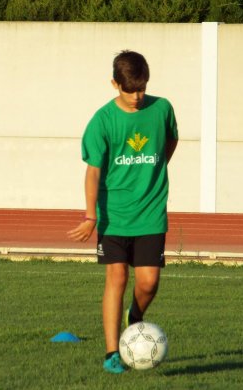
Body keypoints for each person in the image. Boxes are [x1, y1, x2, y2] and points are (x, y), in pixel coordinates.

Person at [67, 50, 178, 374]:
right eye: (130, 90)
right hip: (114, 214)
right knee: (116, 277)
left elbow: (170, 141)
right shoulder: (102, 120)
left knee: (148, 282)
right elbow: (92, 172)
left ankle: (136, 316)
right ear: (115, 84)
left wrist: (155, 171)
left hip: (151, 210)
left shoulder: (162, 108)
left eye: (142, 88)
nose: (137, 96)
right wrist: (91, 216)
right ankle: (112, 352)